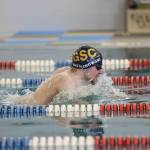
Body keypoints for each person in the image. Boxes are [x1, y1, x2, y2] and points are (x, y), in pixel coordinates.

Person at [14, 45, 103, 105]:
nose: (101, 70)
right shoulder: (65, 80)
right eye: (98, 66)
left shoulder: (76, 75)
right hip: (27, 107)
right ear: (86, 68)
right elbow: (73, 104)